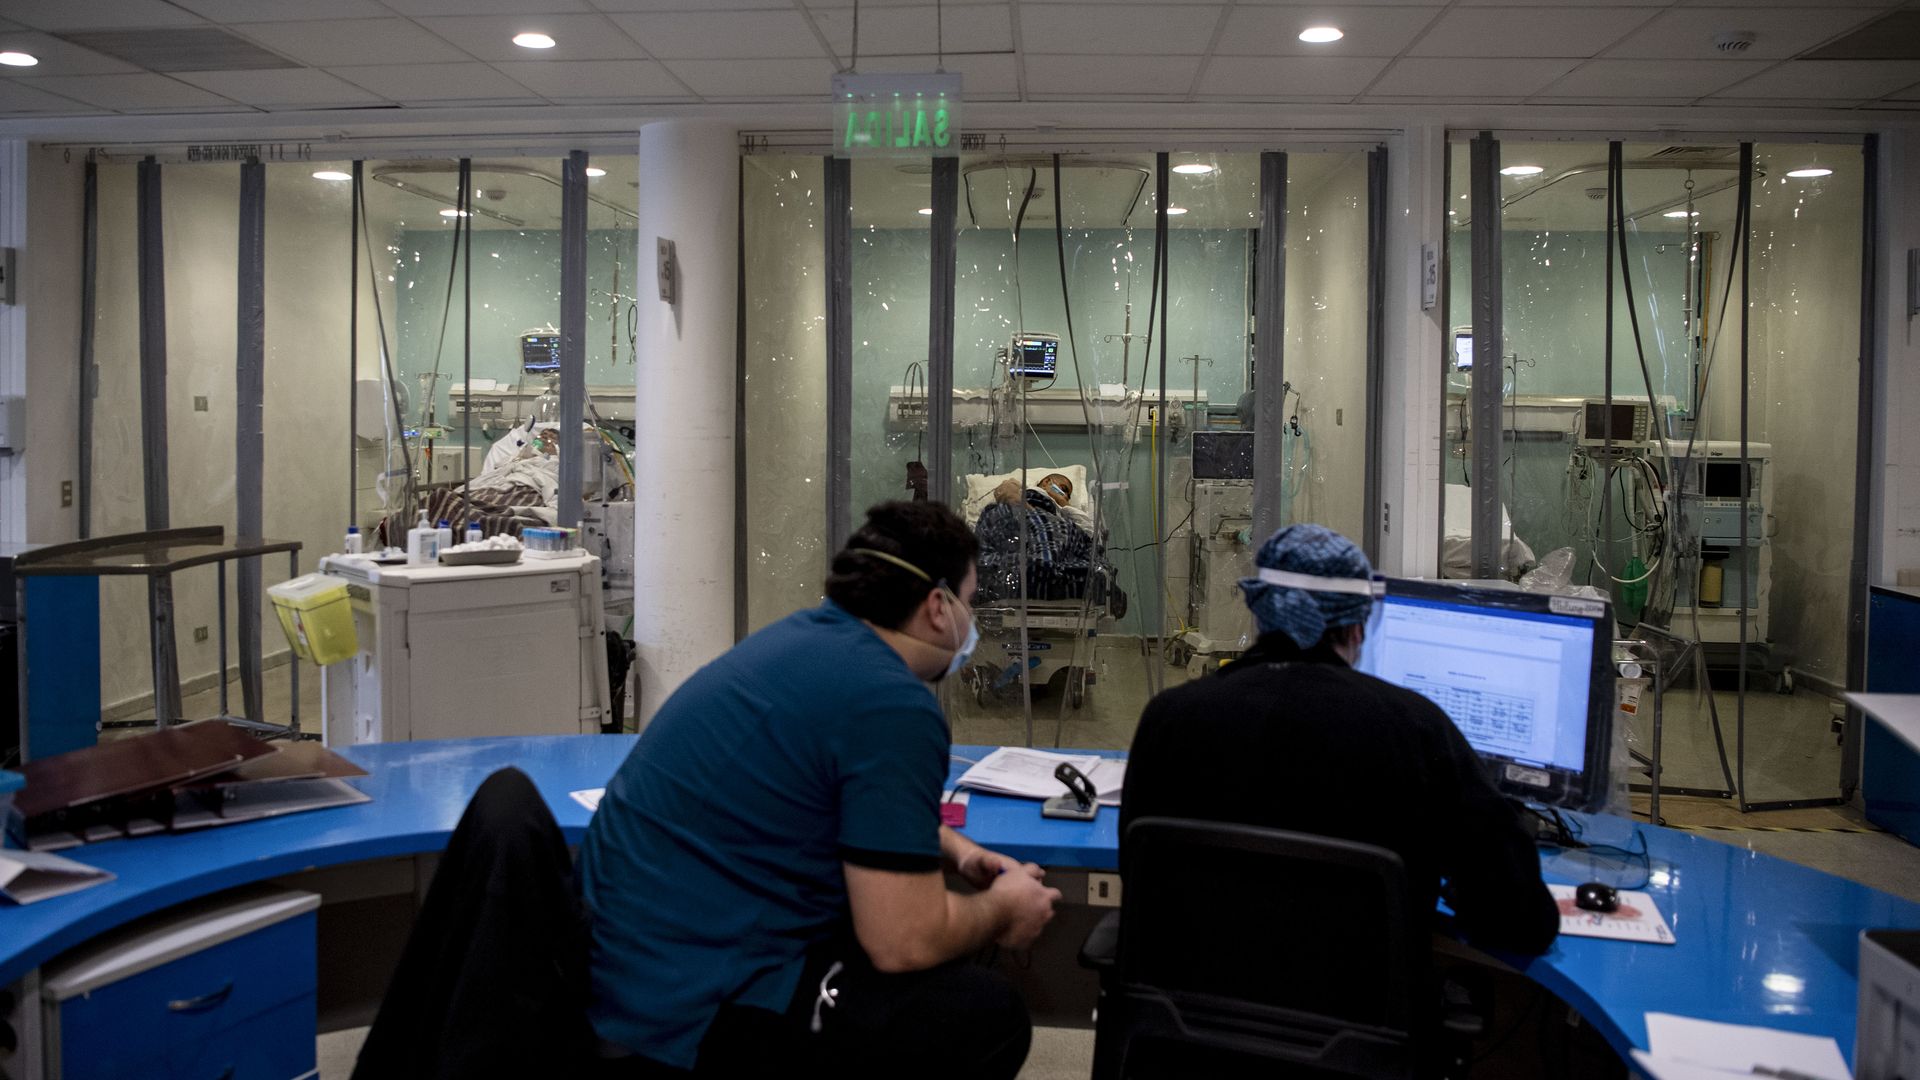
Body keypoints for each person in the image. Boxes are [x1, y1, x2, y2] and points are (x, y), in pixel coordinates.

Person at [579, 501, 1062, 1078]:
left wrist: (959, 851)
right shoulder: (890, 704)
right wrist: (1002, 909)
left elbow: (828, 796)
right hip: (686, 1015)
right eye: (971, 601)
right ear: (938, 607)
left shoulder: (800, 642)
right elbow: (902, 941)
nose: (972, 623)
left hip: (619, 972)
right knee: (984, 1013)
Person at [1121, 524, 1559, 982]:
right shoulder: (1417, 730)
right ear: (1356, 625)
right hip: (1361, 1035)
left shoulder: (1169, 718)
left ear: (1260, 614)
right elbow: (1522, 921)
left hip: (1188, 1026)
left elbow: (1139, 877)